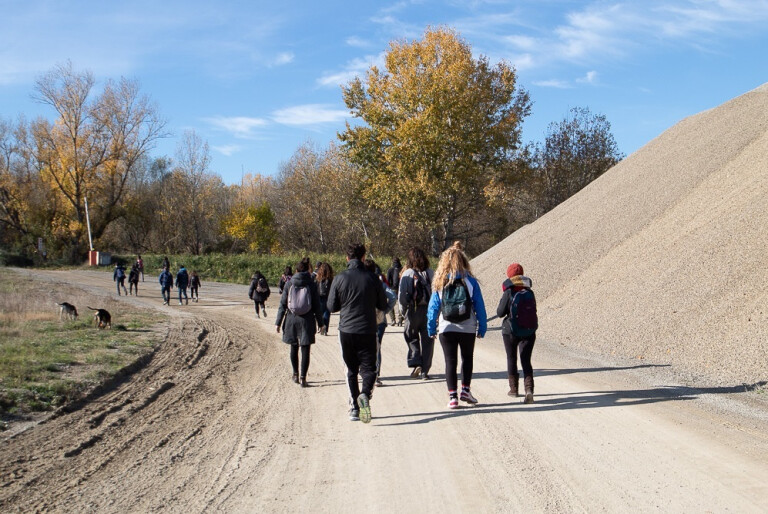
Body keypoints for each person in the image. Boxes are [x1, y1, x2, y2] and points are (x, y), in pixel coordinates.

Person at [327, 243, 387, 423]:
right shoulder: (373, 278)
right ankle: (365, 393)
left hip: (346, 330)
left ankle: (354, 408)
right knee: (369, 368)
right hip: (368, 329)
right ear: (363, 257)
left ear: (347, 258)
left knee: (351, 370)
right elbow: (383, 305)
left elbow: (331, 306)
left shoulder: (339, 278)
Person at [427, 241, 487, 409]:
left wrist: (431, 327)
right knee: (467, 358)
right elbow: (479, 306)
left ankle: (452, 397)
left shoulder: (439, 282)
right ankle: (466, 390)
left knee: (450, 361)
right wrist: (482, 327)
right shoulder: (470, 282)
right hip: (467, 327)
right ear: (463, 261)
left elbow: (433, 308)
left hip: (447, 328)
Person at [275, 260, 325, 387]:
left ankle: (295, 374)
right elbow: (317, 306)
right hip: (307, 319)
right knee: (305, 348)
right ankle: (303, 378)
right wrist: (321, 323)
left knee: (293, 347)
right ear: (308, 270)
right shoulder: (312, 284)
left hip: (292, 318)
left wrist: (278, 322)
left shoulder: (289, 283)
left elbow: (282, 305)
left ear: (296, 271)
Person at [496, 262, 537, 403]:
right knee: (526, 360)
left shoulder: (509, 291)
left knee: (511, 359)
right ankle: (529, 389)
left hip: (510, 331)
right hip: (529, 331)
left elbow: (500, 313)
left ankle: (514, 389)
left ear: (509, 275)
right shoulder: (529, 291)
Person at [398, 247, 435, 380]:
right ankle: (425, 370)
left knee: (411, 336)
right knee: (428, 341)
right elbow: (437, 293)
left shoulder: (407, 273)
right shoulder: (431, 273)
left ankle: (416, 360)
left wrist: (403, 312)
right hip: (429, 310)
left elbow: (402, 295)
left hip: (412, 310)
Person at [365, 258, 396, 387]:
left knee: (366, 348)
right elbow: (393, 297)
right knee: (377, 347)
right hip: (380, 319)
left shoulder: (363, 282)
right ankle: (376, 375)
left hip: (365, 320)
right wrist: (386, 310)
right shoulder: (380, 283)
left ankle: (366, 373)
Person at [315, 262, 334, 335]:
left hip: (319, 297)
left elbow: (315, 288)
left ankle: (321, 326)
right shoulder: (331, 279)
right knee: (327, 314)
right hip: (328, 297)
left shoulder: (318, 278)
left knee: (319, 313)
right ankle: (325, 330)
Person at [386, 257, 403, 326]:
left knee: (391, 304)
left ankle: (393, 320)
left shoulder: (390, 270)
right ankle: (400, 320)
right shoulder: (402, 269)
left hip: (392, 288)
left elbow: (387, 280)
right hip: (401, 288)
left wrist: (389, 287)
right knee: (400, 304)